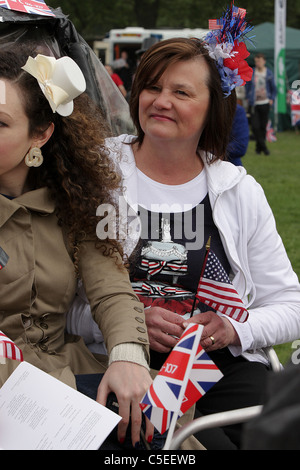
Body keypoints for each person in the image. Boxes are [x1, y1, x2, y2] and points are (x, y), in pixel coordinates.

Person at [68, 6, 300, 450]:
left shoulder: (238, 191)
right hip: (120, 361)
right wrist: (130, 324)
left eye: (181, 92)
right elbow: (60, 308)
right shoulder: (96, 175)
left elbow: (289, 303)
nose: (161, 101)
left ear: (214, 105)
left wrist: (237, 330)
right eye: (152, 87)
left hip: (218, 367)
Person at [0, 46, 154, 449]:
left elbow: (111, 288)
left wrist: (127, 356)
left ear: (41, 133)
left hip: (65, 374)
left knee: (150, 422)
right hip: (12, 392)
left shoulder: (75, 200)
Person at [246, 52, 277, 155]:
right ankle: (264, 148)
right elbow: (248, 87)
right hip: (254, 103)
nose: (257, 63)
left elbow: (274, 88)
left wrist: (271, 98)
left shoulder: (268, 73)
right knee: (255, 126)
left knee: (263, 126)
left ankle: (258, 148)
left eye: (259, 61)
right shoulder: (253, 72)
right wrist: (248, 97)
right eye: (256, 61)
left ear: (264, 61)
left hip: (265, 103)